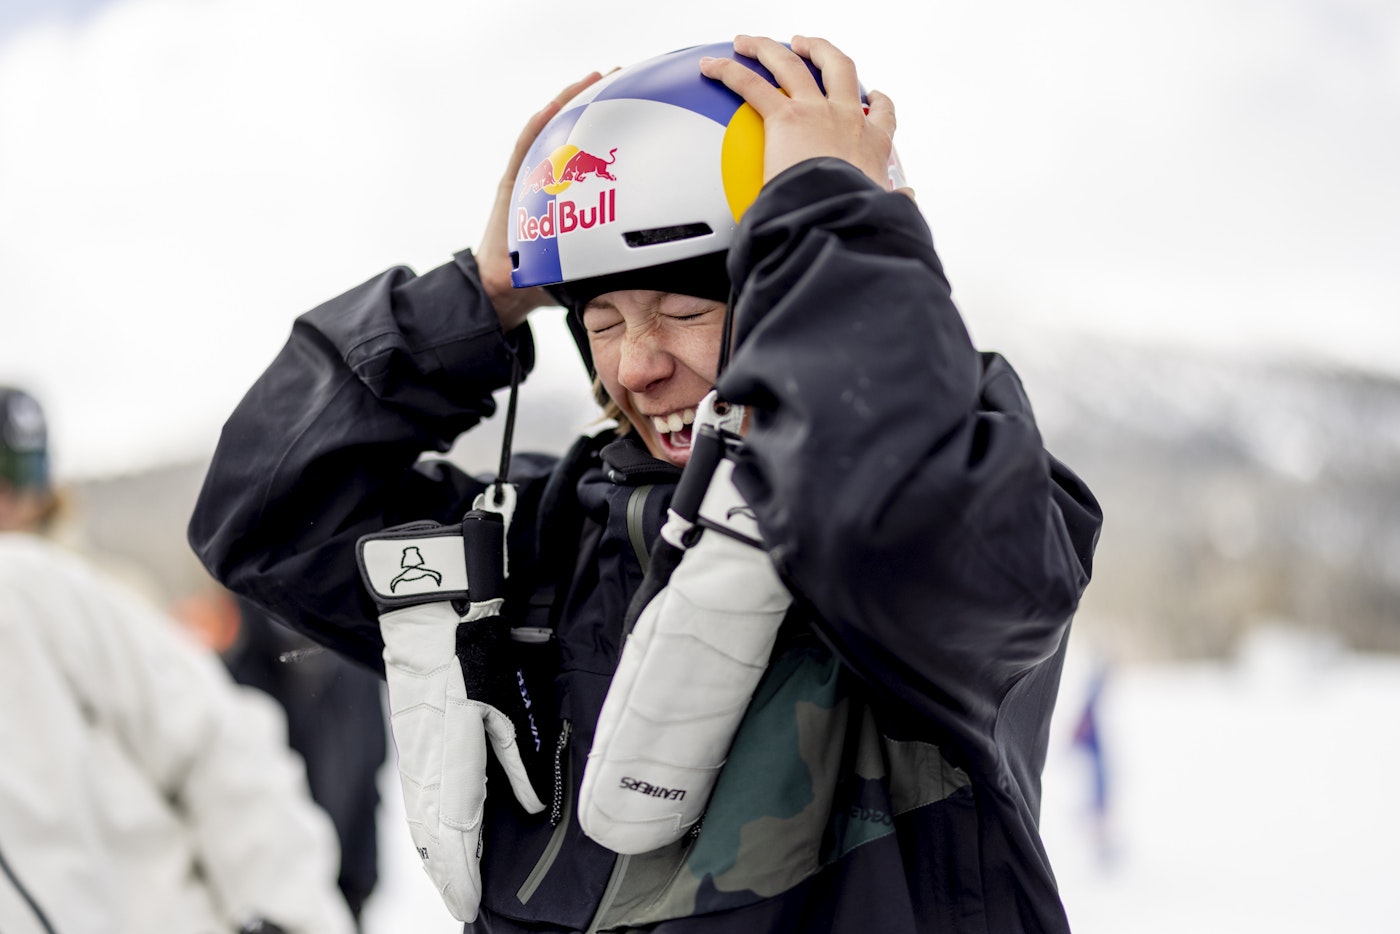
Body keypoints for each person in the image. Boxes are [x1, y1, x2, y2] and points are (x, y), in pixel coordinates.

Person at [190, 34, 1102, 934]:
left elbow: (908, 503)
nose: (635, 367)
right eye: (603, 318)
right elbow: (263, 511)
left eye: (683, 309)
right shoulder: (549, 540)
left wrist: (831, 216)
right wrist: (480, 295)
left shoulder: (953, 514)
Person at [0, 385, 357, 934]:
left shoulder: (55, 587)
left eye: (16, 482)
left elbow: (220, 740)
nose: (10, 502)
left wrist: (288, 916)